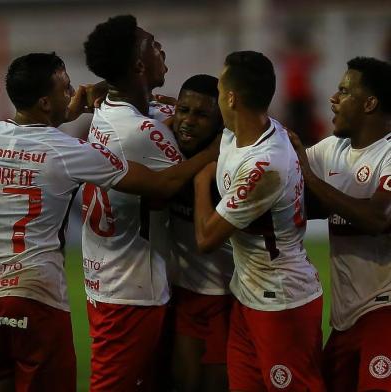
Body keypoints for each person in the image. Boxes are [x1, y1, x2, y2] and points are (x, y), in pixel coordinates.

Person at [0, 52, 216, 392]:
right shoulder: (68, 151)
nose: (74, 93)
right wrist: (214, 150)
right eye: (65, 89)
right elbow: (164, 184)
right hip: (34, 295)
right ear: (44, 102)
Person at [81, 15, 220, 392]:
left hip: (110, 275)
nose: (161, 49)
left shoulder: (111, 108)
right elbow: (179, 179)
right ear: (140, 65)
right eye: (153, 44)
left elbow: (157, 114)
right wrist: (222, 143)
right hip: (130, 291)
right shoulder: (141, 132)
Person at [193, 51, 325, 391]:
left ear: (232, 97)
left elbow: (207, 239)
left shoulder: (264, 165)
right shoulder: (240, 133)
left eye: (220, 89)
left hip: (282, 303)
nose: (217, 96)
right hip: (248, 295)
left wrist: (199, 181)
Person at [289, 56, 391, 392]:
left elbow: (376, 217)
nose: (333, 98)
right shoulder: (333, 149)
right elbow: (285, 166)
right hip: (345, 319)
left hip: (384, 313)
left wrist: (309, 178)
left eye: (344, 91)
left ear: (370, 103)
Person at [168, 74, 234, 392]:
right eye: (183, 110)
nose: (188, 121)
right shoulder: (165, 148)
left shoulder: (230, 168)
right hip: (185, 294)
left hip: (228, 298)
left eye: (201, 114)